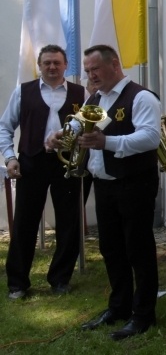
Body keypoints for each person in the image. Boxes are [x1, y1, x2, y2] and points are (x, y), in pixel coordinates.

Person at [47, 45, 161, 340]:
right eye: (87, 71)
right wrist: (61, 134)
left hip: (135, 182)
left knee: (138, 249)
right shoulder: (96, 97)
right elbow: (78, 122)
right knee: (111, 248)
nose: (90, 75)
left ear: (114, 64)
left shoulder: (141, 96)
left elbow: (150, 138)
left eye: (94, 69)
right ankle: (119, 306)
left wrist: (106, 142)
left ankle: (143, 314)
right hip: (105, 182)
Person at [1, 44, 89, 300]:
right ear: (39, 66)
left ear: (65, 66)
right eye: (47, 63)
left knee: (69, 223)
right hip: (31, 162)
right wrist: (9, 158)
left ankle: (60, 279)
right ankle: (17, 283)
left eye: (57, 63)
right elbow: (5, 127)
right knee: (24, 224)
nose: (52, 67)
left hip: (68, 164)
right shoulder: (23, 92)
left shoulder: (80, 93)